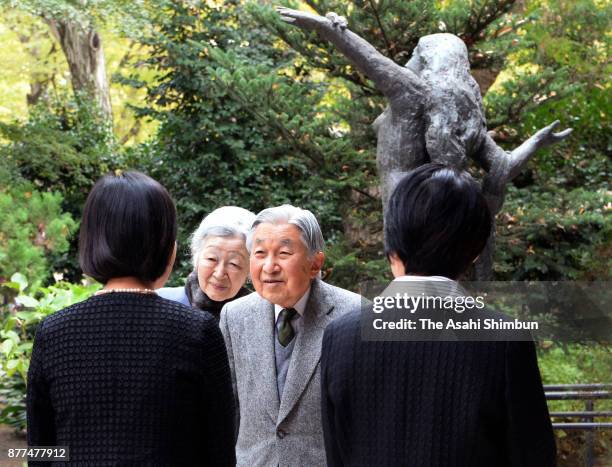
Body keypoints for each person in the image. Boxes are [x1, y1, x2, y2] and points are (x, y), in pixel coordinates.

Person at [320, 163, 556, 466]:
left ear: (393, 243)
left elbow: (337, 454)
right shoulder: (505, 340)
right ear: (475, 250)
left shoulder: (339, 336)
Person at [26, 171, 236, 466]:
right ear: (167, 248)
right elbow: (219, 452)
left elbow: (39, 450)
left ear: (90, 243)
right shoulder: (197, 332)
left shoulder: (53, 332)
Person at [219, 204, 362, 467]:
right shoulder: (234, 316)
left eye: (284, 253)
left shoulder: (354, 314)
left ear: (315, 263)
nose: (269, 266)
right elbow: (228, 411)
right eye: (260, 253)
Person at [158, 206, 255, 318]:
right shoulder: (161, 304)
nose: (219, 274)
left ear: (250, 269)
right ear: (197, 257)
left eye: (234, 264)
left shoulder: (262, 318)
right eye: (211, 259)